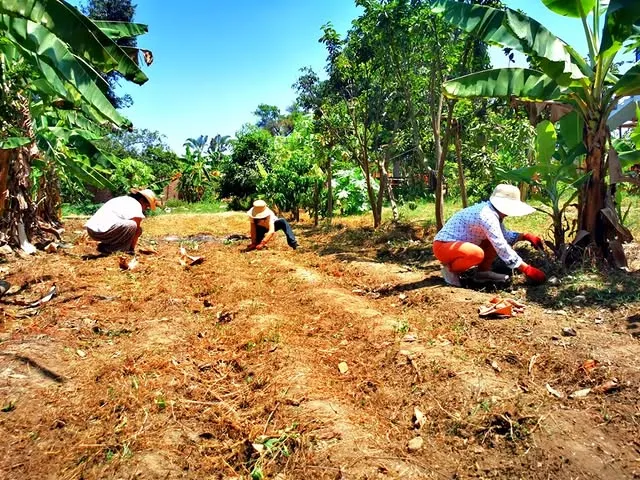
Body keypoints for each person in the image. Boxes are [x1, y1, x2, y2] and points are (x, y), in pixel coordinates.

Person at [433, 184, 546, 287]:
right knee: (476, 254)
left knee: (490, 241)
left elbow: (504, 236)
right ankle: (450, 270)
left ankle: (482, 273)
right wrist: (526, 268)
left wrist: (525, 236)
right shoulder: (487, 215)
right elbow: (500, 245)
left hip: (456, 246)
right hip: (443, 246)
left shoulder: (493, 213)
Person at [85, 188, 158, 254]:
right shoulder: (136, 204)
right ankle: (113, 249)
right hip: (102, 232)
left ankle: (108, 246)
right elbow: (136, 231)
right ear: (141, 201)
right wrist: (131, 249)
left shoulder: (123, 199)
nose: (145, 209)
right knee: (133, 226)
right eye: (146, 206)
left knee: (132, 227)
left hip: (92, 230)